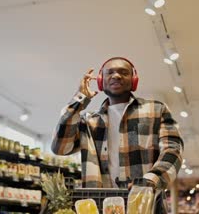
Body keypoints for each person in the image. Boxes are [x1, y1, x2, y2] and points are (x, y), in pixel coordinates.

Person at [51, 57, 184, 213]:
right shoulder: (89, 121)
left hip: (146, 206)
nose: (116, 76)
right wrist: (79, 100)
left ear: (133, 80)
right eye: (110, 72)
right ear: (101, 81)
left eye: (123, 72)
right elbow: (60, 147)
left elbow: (173, 150)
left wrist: (152, 179)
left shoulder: (156, 110)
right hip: (100, 207)